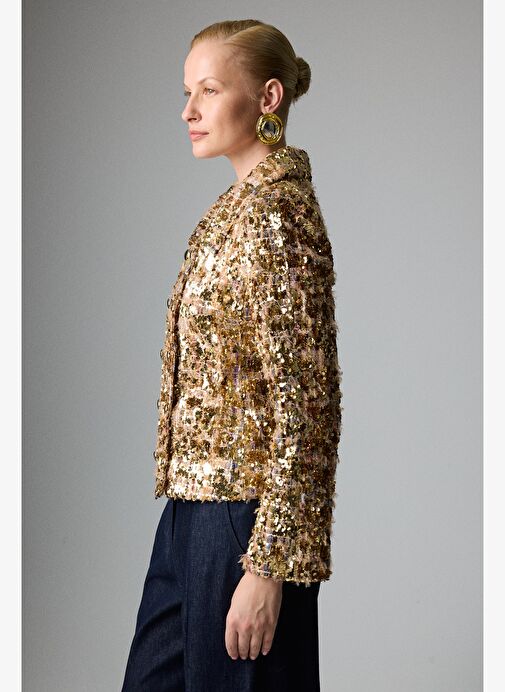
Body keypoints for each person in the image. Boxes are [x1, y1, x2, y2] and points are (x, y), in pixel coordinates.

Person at [121, 18, 343, 692]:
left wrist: (268, 564)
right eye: (186, 92)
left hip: (245, 521)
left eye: (209, 90)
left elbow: (309, 405)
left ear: (268, 97)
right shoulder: (232, 210)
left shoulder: (278, 214)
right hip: (189, 511)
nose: (188, 111)